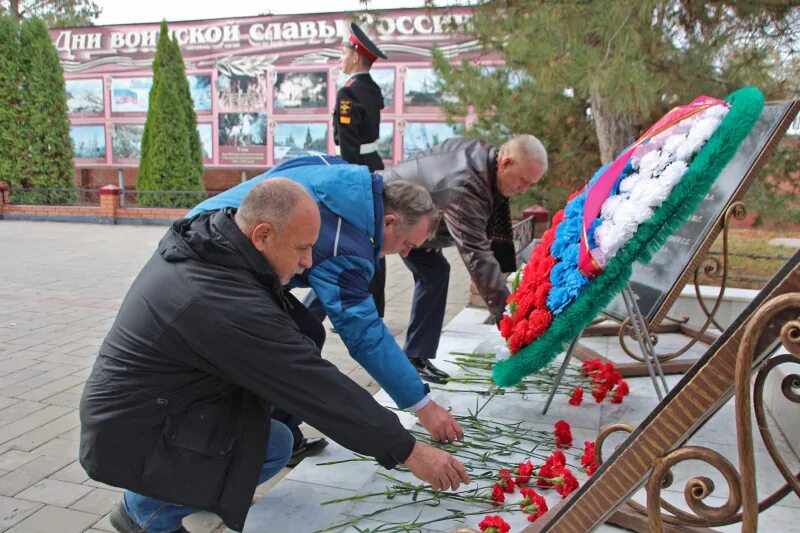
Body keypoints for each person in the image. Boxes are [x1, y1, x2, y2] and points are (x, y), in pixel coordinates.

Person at [79, 179, 469, 533]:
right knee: (270, 447)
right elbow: (314, 385)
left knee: (286, 381)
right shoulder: (222, 303)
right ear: (263, 234)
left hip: (160, 402)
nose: (308, 262)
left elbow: (297, 351)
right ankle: (144, 513)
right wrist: (409, 451)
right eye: (301, 248)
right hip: (132, 430)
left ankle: (186, 487)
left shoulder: (222, 243)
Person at [187, 156, 464, 468]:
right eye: (406, 243)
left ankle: (278, 429)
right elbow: (364, 335)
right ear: (389, 222)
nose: (405, 253)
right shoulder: (346, 241)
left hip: (205, 231)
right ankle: (253, 442)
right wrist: (423, 406)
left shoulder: (347, 177)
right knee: (292, 348)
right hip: (212, 257)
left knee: (308, 329)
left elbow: (287, 168)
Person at [381, 135, 548, 383]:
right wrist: (511, 321)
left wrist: (432, 237)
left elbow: (438, 188)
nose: (523, 190)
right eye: (523, 181)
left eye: (530, 184)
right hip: (387, 211)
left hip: (417, 215)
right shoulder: (467, 186)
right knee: (341, 272)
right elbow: (478, 257)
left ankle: (415, 357)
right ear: (506, 163)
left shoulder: (485, 159)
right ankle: (305, 332)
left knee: (435, 273)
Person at [334, 22, 389, 316]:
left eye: (343, 53)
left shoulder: (349, 93)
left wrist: (346, 184)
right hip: (373, 167)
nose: (340, 59)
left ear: (356, 56)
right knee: (375, 242)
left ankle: (353, 308)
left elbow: (348, 145)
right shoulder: (372, 89)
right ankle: (375, 308)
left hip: (355, 172)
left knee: (351, 243)